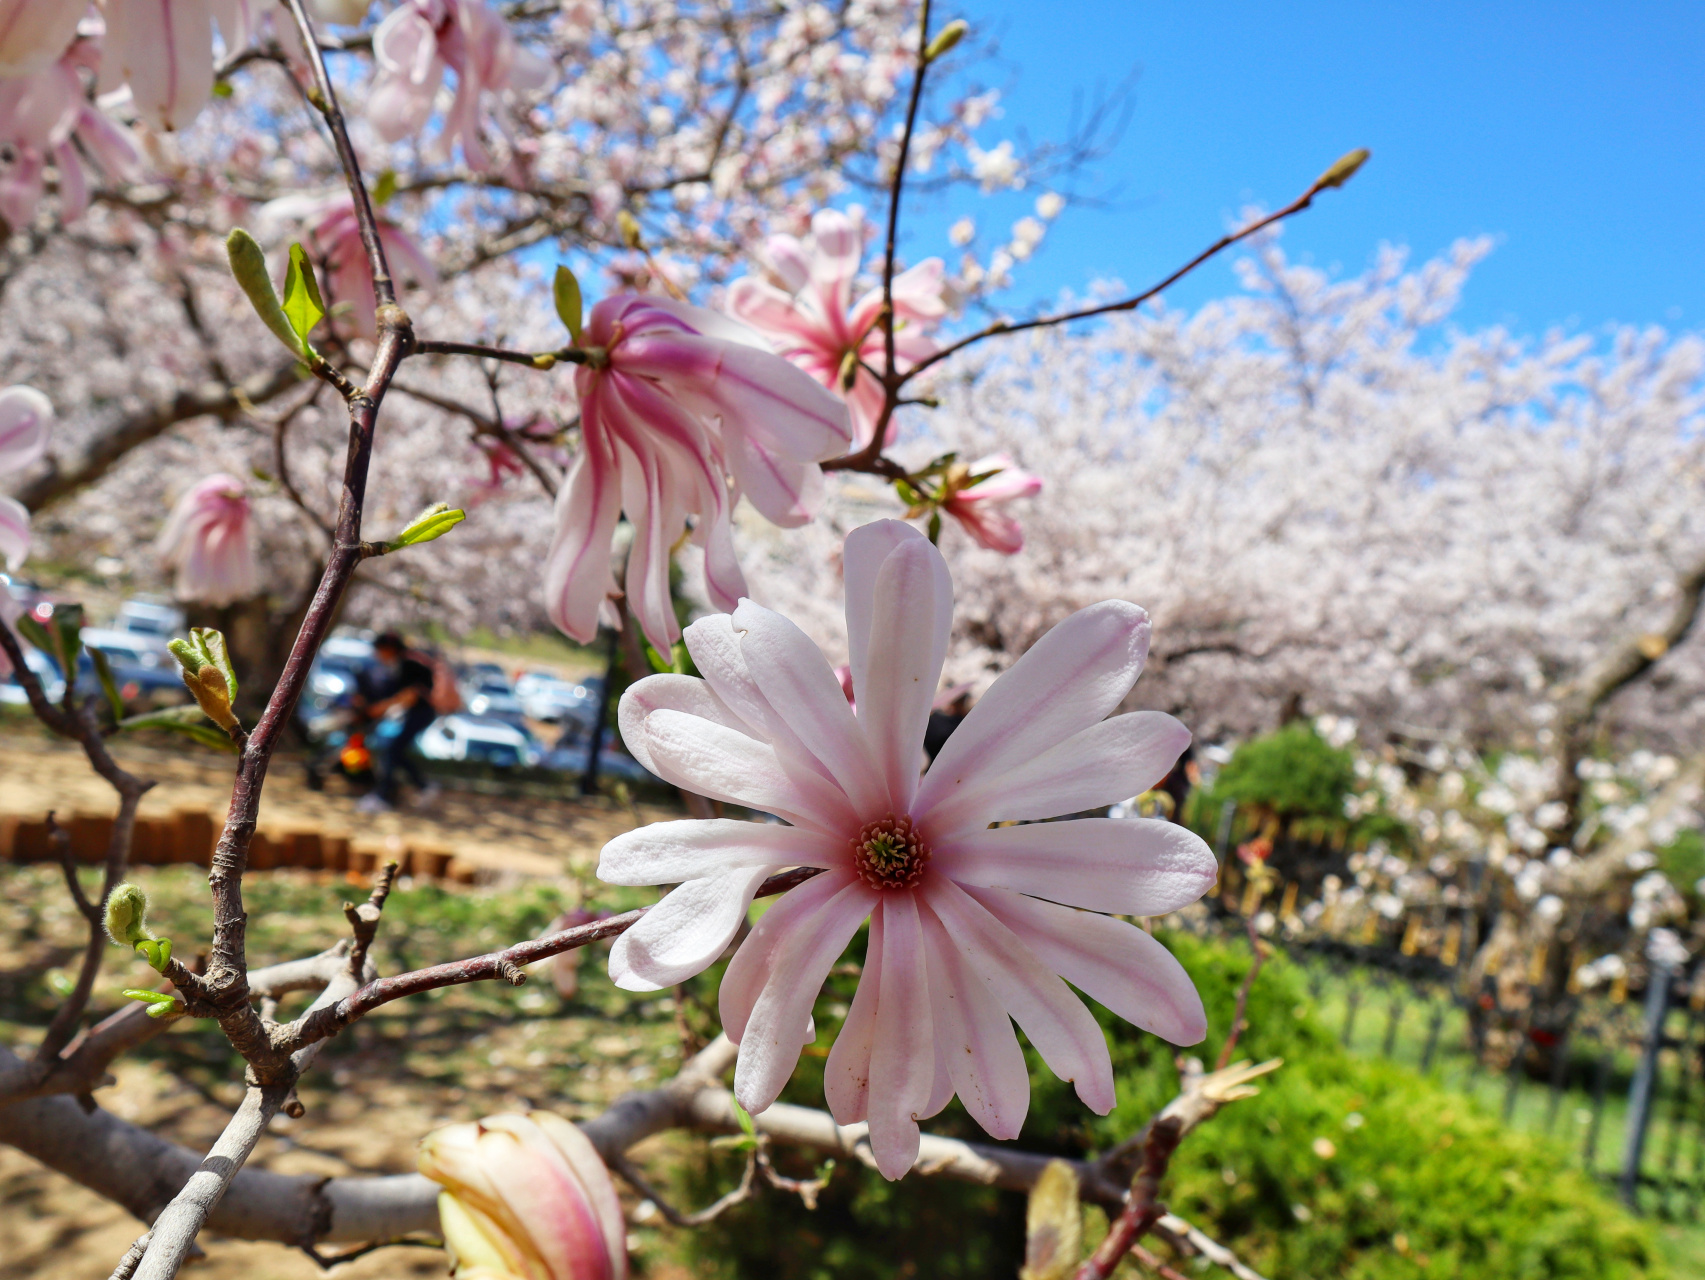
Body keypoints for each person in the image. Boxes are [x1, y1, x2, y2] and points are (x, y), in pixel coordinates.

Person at [353, 632, 439, 813]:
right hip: (409, 715)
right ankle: (418, 786)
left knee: (392, 749)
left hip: (420, 714)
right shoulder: (392, 666)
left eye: (380, 650)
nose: (377, 654)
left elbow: (409, 696)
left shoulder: (409, 666)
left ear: (390, 649)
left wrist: (380, 708)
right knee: (392, 751)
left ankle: (385, 796)